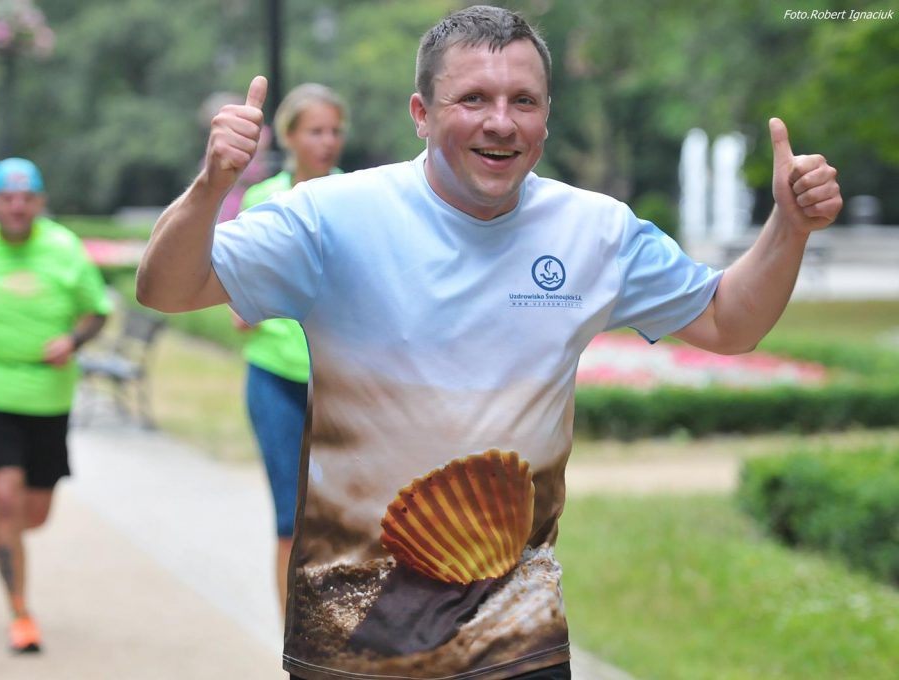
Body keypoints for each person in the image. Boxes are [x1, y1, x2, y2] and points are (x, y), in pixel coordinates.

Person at [136, 6, 841, 679]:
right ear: (422, 113)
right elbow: (166, 287)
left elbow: (728, 322)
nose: (500, 122)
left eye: (523, 101)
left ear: (546, 117)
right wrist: (211, 187)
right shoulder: (331, 216)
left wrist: (788, 227)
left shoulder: (596, 232)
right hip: (354, 645)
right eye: (472, 98)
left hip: (518, 641)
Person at [0, 158, 112, 654]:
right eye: (6, 198)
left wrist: (73, 340)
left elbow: (97, 311)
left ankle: (8, 532)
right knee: (6, 497)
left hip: (48, 396)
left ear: (40, 202)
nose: (16, 206)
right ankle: (19, 611)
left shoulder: (64, 248)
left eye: (26, 197)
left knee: (35, 513)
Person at [229, 82, 348, 614]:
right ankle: (294, 641)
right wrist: (241, 302)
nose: (327, 141)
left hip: (341, 382)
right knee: (290, 518)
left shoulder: (357, 197)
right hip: (275, 377)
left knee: (343, 517)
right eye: (315, 131)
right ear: (290, 137)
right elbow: (237, 282)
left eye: (335, 131)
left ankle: (340, 633)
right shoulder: (263, 200)